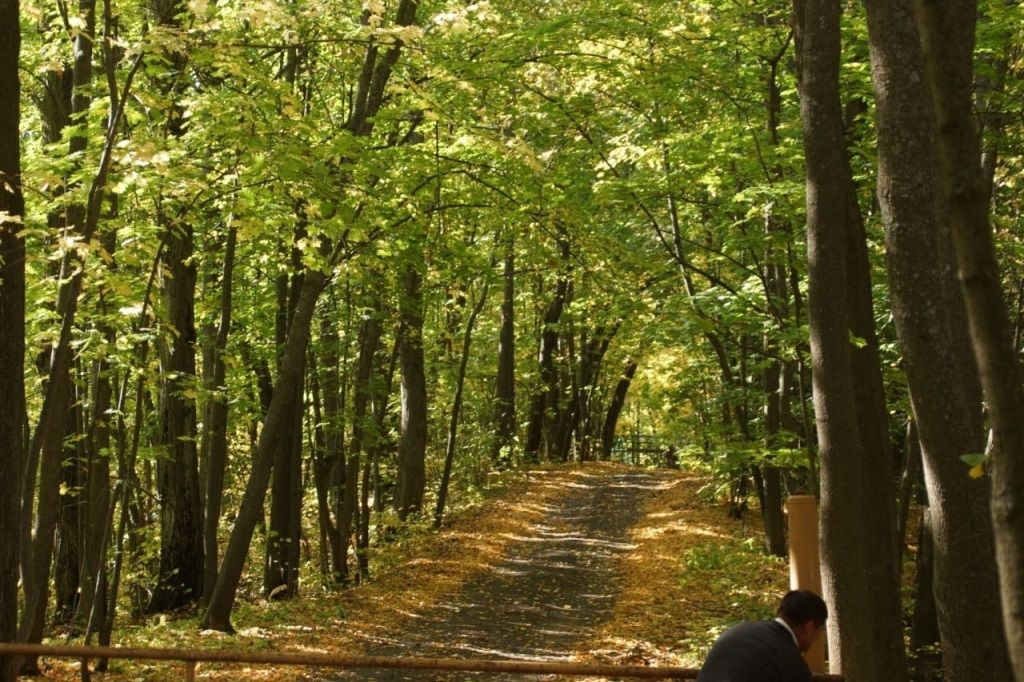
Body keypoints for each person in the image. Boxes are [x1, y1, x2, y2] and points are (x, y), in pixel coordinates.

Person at [695, 590, 828, 682]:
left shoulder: (741, 630)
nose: (817, 639)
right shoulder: (792, 665)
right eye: (820, 631)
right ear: (809, 627)